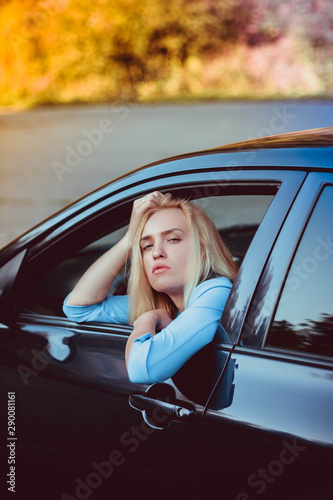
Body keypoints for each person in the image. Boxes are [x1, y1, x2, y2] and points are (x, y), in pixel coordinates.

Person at [63, 191, 237, 384]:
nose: (156, 253)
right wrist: (130, 238)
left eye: (172, 239)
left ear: (203, 248)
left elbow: (141, 369)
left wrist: (147, 319)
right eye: (146, 246)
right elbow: (79, 307)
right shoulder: (163, 303)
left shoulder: (218, 291)